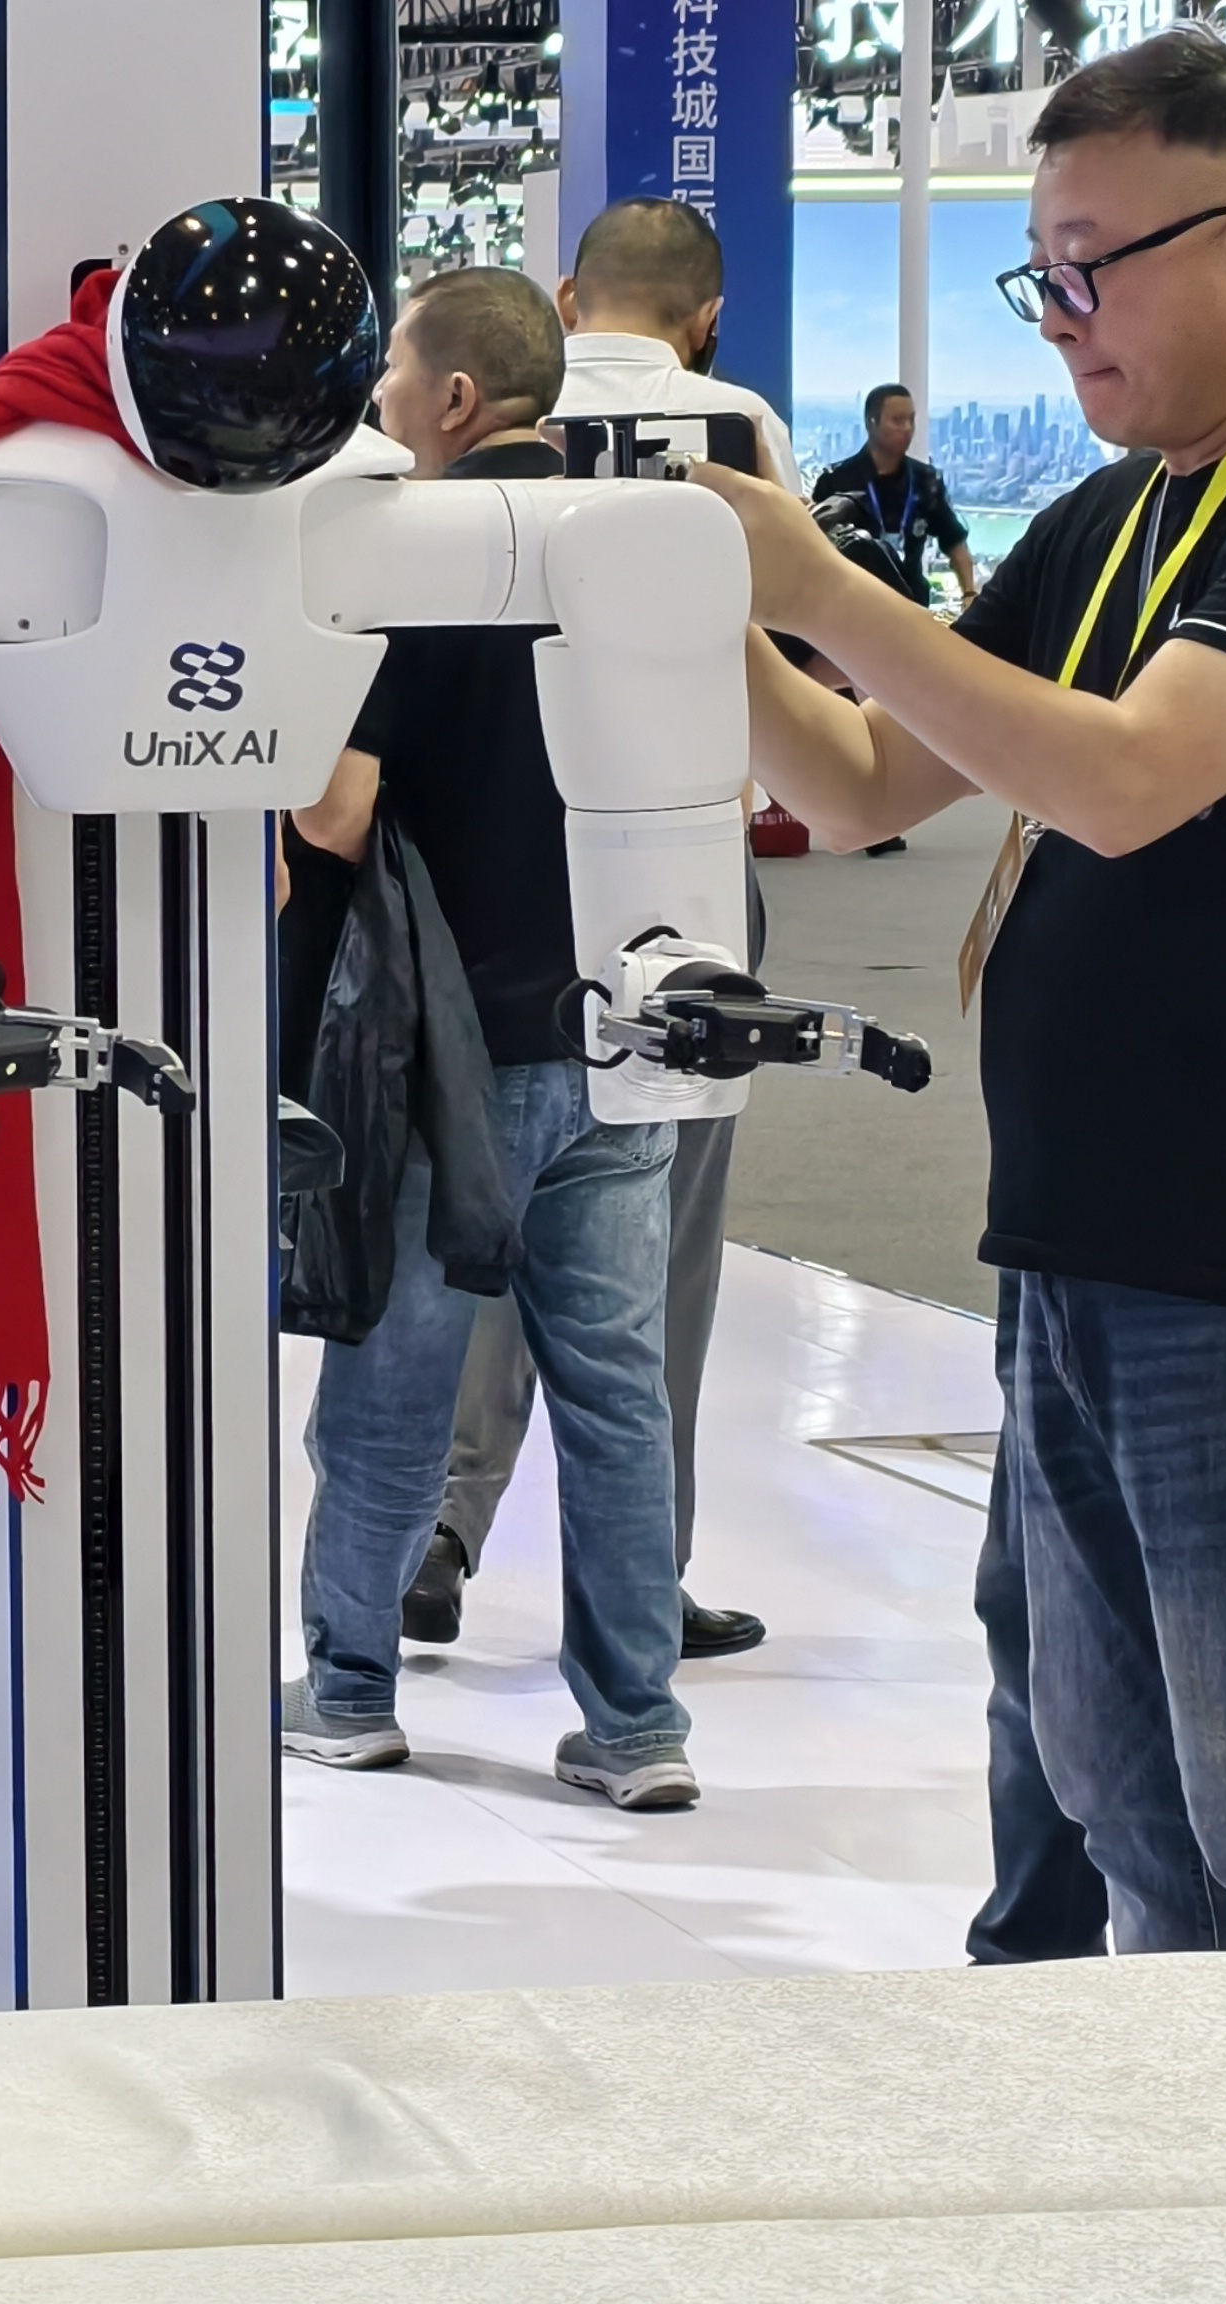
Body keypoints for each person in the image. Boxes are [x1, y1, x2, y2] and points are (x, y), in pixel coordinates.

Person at [693, 29, 1226, 1954]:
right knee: (1119, 1789)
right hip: (1080, 1238)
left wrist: (821, 587)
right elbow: (861, 781)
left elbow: (1129, 782)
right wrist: (683, 604)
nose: (1058, 317)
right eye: (1038, 274)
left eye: (1087, 268)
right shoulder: (1115, 514)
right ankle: (1193, 2131)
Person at [272, 266, 704, 1811]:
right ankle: (638, 1726)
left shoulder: (425, 558)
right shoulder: (637, 545)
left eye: (393, 374)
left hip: (445, 1052)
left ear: (455, 398)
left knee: (393, 1390)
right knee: (617, 1398)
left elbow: (337, 810)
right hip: (625, 1034)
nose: (380, 402)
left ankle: (348, 1689)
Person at [420, 193, 798, 1663]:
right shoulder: (737, 428)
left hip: (491, 870)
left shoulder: (489, 421)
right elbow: (790, 648)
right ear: (706, 319)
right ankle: (649, 1582)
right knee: (659, 1241)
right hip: (680, 879)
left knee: (478, 1201)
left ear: (568, 303)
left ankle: (438, 1528)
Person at [552, 197, 803, 492]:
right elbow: (788, 521)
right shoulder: (749, 420)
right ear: (708, 320)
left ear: (567, 298)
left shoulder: (519, 415)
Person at [813, 384, 983, 606]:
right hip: (853, 608)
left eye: (911, 420)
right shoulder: (837, 482)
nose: (907, 428)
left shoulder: (926, 481)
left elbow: (955, 543)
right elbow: (814, 549)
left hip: (912, 604)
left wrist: (969, 594)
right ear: (871, 423)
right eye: (897, 420)